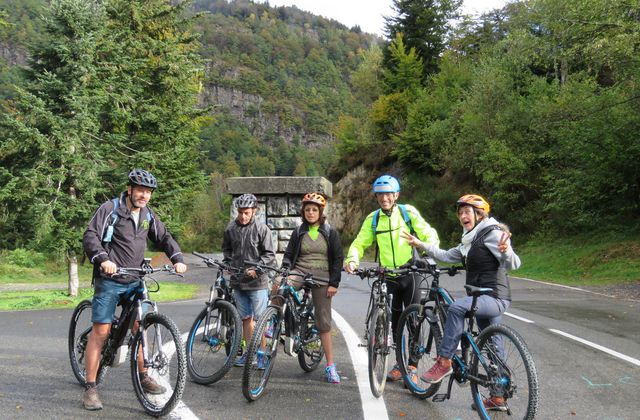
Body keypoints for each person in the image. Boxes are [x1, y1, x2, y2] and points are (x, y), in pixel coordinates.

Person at [401, 194, 520, 412]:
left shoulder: (492, 234)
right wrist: (420, 244)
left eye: (467, 212)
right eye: (460, 213)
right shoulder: (470, 240)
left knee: (455, 308)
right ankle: (498, 396)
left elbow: (513, 263)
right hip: (482, 298)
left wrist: (507, 251)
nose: (463, 216)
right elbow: (446, 255)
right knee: (493, 346)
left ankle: (444, 360)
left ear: (479, 214)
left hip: (493, 297)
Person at [82, 169, 187, 411]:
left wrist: (177, 257)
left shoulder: (148, 215)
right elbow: (91, 236)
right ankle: (90, 387)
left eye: (148, 192)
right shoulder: (110, 209)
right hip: (110, 279)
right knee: (102, 332)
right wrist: (102, 259)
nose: (144, 195)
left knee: (141, 327)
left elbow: (164, 237)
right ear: (129, 189)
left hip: (135, 279)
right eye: (140, 190)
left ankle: (144, 376)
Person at [344, 175, 439, 382]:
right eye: (380, 195)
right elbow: (360, 243)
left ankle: (412, 367)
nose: (384, 198)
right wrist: (352, 259)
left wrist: (428, 252)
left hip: (410, 273)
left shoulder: (408, 213)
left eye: (388, 194)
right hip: (388, 275)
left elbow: (428, 233)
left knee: (413, 320)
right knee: (394, 322)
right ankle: (399, 363)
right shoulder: (373, 219)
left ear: (396, 195)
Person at [280, 192, 344, 383]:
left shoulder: (330, 232)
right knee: (279, 285)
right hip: (300, 270)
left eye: (314, 210)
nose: (310, 213)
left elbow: (338, 259)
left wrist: (334, 283)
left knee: (323, 321)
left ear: (320, 212)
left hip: (322, 275)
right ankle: (272, 322)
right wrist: (285, 268)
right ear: (303, 211)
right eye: (307, 209)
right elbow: (289, 254)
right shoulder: (299, 231)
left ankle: (330, 366)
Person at [222, 193, 276, 367]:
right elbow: (227, 252)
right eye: (240, 212)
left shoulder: (262, 229)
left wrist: (257, 269)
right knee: (246, 319)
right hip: (238, 282)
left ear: (254, 211)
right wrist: (227, 265)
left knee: (260, 320)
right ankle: (249, 353)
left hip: (257, 283)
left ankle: (261, 354)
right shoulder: (230, 229)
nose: (243, 216)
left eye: (246, 212)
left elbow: (269, 256)